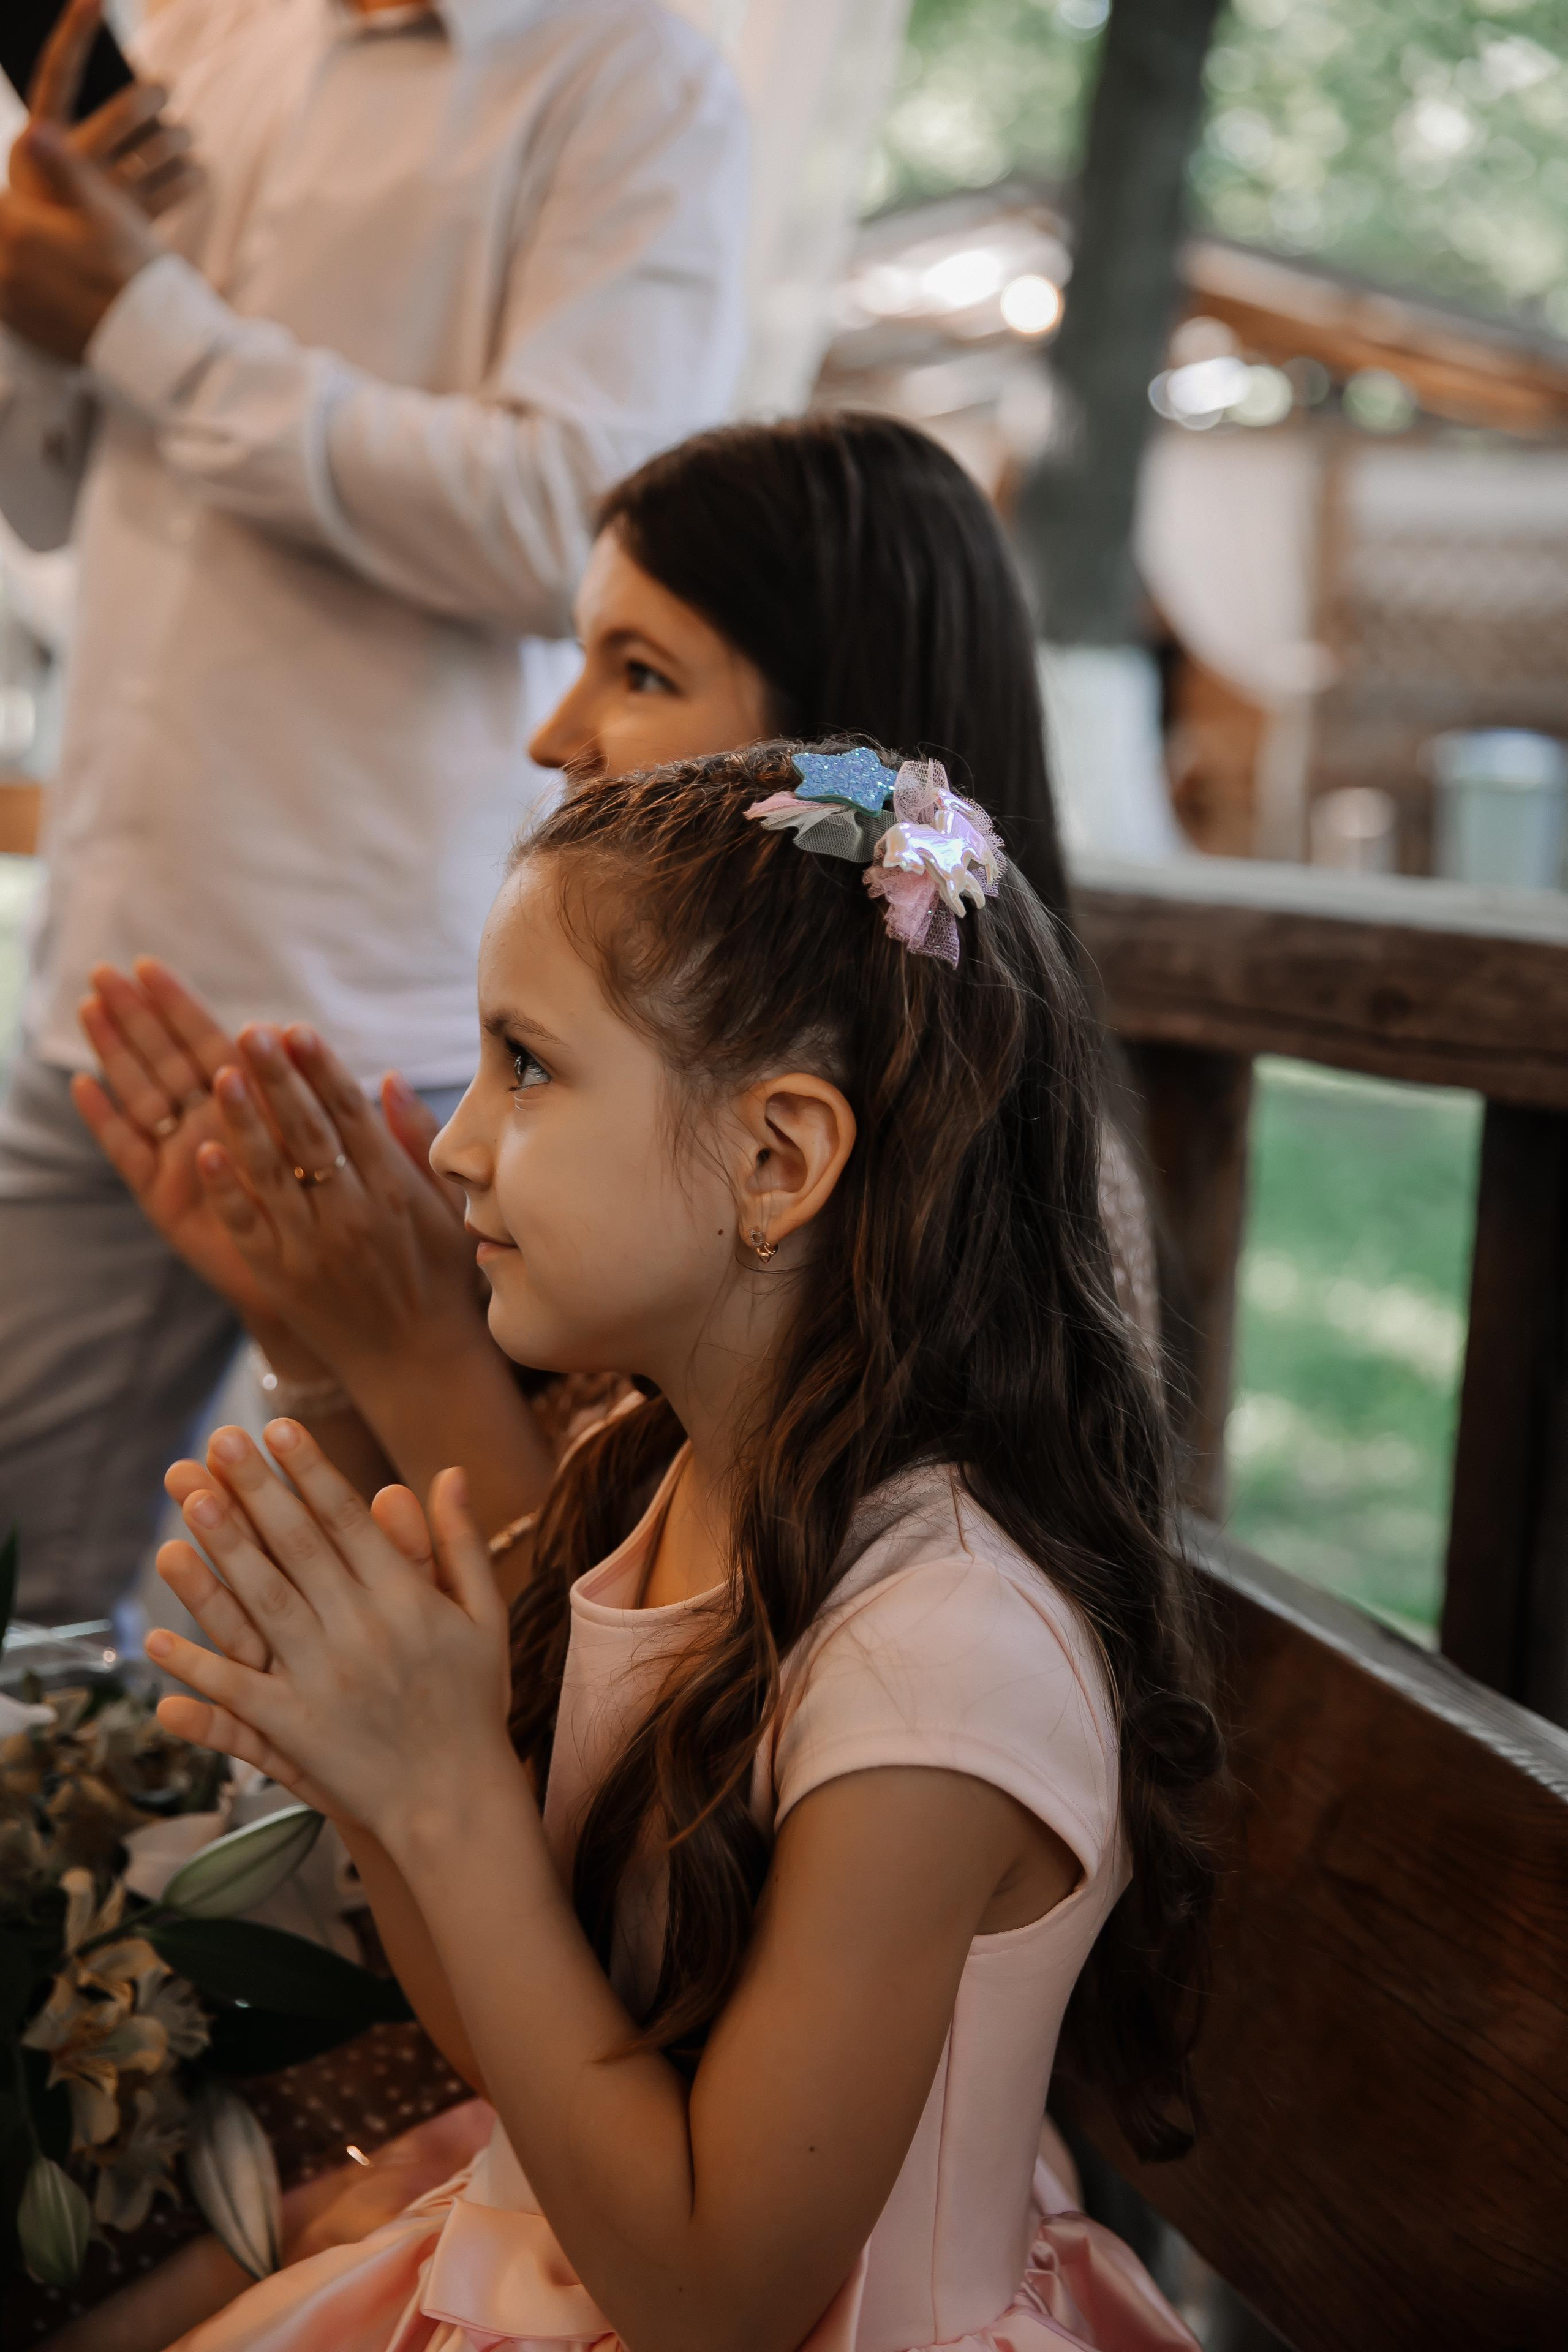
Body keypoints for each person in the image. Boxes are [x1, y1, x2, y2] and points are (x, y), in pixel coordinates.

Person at [140, 738, 1221, 2352]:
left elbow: (718, 2298)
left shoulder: (940, 1659)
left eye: (527, 1065)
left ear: (777, 1159)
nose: (454, 1144)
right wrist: (373, 1776)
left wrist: (447, 1797)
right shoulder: (656, 1479)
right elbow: (538, 2054)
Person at [74, 415, 1159, 1564]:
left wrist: (413, 1350)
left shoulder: (990, 1178)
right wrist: (315, 1313)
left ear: (829, 754)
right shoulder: (643, 1134)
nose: (553, 737)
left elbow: (640, 1654)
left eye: (640, 672)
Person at [0, 0, 747, 1620]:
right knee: (22, 1588)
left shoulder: (628, 71)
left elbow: (576, 526)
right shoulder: (195, 26)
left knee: (412, 1615)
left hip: (397, 1026)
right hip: (103, 986)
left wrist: (142, 319)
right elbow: (44, 498)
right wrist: (37, 307)